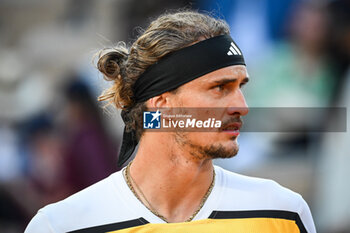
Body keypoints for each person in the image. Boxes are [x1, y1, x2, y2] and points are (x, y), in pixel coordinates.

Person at [25, 11, 316, 233]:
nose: (241, 106)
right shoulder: (60, 226)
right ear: (161, 102)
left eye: (241, 87)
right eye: (220, 88)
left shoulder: (282, 212)